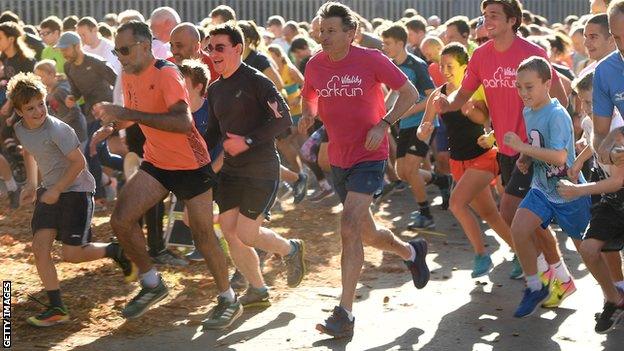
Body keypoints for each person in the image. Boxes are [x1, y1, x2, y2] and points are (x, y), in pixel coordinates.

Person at [91, 21, 241, 329]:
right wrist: (111, 128)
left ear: (144, 47)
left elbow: (183, 122)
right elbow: (134, 115)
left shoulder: (167, 74)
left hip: (190, 164)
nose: (119, 55)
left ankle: (228, 299)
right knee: (121, 219)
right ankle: (151, 283)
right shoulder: (129, 73)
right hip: (157, 162)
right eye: (117, 49)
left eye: (124, 49)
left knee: (202, 234)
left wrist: (127, 114)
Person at [298, 2, 429, 338]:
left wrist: (384, 124)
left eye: (331, 31)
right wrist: (308, 114)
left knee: (348, 224)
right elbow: (309, 96)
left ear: (350, 33)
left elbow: (409, 92)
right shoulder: (315, 64)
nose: (323, 37)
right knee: (366, 233)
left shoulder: (371, 59)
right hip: (338, 158)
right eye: (321, 31)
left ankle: (344, 314)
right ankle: (411, 252)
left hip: (369, 154)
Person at [434, 0, 571, 282]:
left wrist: (551, 139)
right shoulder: (481, 56)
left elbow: (562, 100)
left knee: (511, 211)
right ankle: (554, 271)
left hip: (533, 150)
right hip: (506, 149)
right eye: (485, 15)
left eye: (494, 15)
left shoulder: (533, 54)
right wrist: (448, 103)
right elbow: (464, 93)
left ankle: (545, 273)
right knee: (527, 218)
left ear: (512, 20)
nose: (487, 20)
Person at [7, 72, 135, 327]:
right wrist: (33, 184)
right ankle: (57, 307)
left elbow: (79, 163)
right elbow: (29, 152)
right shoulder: (21, 129)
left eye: (40, 104)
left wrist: (57, 190)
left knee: (72, 255)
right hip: (50, 190)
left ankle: (115, 250)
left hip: (76, 190)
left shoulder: (58, 129)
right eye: (30, 108)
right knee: (40, 247)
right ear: (20, 112)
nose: (37, 111)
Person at [204, 23, 306, 309]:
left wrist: (248, 140)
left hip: (261, 169)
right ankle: (258, 289)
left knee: (248, 233)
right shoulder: (215, 89)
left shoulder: (258, 82)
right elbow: (213, 131)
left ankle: (291, 249)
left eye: (219, 47)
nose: (213, 53)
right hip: (231, 172)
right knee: (229, 228)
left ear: (238, 49)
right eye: (210, 48)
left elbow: (284, 119)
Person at [502, 56, 590, 318]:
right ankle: (534, 285)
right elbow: (536, 143)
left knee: (590, 252)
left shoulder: (557, 114)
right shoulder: (528, 111)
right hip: (541, 188)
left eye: (529, 87)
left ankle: (614, 291)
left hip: (568, 191)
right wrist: (525, 158)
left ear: (547, 84)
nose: (523, 93)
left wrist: (521, 147)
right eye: (519, 87)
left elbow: (560, 157)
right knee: (518, 228)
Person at [418, 43, 514, 278]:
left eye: (450, 65)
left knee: (456, 203)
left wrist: (471, 112)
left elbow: (485, 117)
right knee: (490, 213)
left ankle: (481, 254)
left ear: (464, 66)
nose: (445, 70)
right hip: (458, 162)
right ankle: (522, 252)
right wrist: (424, 130)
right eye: (442, 65)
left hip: (483, 158)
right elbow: (424, 124)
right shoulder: (438, 94)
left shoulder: (474, 90)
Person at [557, 71, 624, 333]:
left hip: (616, 191)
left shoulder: (619, 129)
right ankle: (614, 298)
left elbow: (618, 181)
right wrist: (579, 160)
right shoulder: (589, 121)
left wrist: (579, 190)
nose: (587, 109)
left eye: (593, 103)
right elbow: (589, 139)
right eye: (584, 102)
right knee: (588, 249)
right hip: (610, 201)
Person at [380, 23, 451, 229]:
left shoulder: (417, 65)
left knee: (410, 170)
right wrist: (383, 108)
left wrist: (405, 111)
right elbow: (395, 90)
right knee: (401, 172)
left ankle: (425, 215)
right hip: (406, 125)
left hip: (425, 124)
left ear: (400, 43)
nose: (384, 47)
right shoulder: (393, 65)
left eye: (388, 43)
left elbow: (433, 97)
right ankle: (441, 181)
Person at [58, 31, 117, 205]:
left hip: (107, 113)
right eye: (61, 50)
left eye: (65, 49)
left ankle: (98, 197)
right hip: (90, 115)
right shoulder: (69, 67)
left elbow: (117, 81)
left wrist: (116, 108)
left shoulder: (96, 62)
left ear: (77, 46)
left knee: (90, 153)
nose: (63, 53)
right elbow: (76, 90)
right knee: (102, 155)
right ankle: (123, 175)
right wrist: (72, 97)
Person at [33, 60, 87, 145]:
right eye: (37, 78)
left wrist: (60, 124)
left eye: (41, 77)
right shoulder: (48, 91)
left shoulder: (61, 90)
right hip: (66, 134)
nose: (39, 80)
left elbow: (76, 111)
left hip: (77, 133)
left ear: (51, 74)